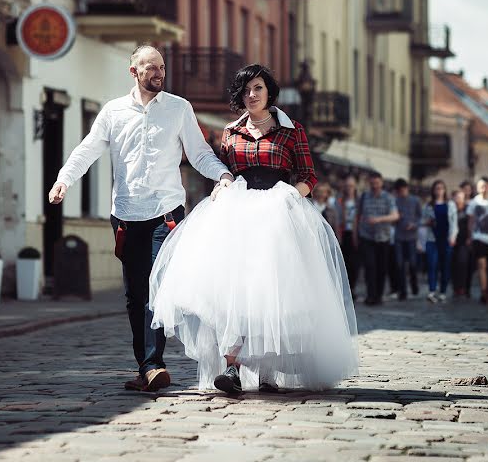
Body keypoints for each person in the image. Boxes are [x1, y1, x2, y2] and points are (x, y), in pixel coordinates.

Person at [149, 64, 357, 394]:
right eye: (246, 90)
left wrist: (292, 195)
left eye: (257, 88)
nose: (252, 95)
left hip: (279, 213)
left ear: (269, 92)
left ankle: (264, 368)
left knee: (271, 293)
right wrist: (221, 183)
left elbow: (308, 176)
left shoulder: (292, 130)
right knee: (234, 292)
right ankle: (232, 366)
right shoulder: (230, 132)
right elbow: (223, 169)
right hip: (237, 214)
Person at [48, 45, 234, 392]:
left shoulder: (179, 108)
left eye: (161, 67)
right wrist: (63, 179)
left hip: (166, 213)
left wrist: (222, 175)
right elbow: (87, 149)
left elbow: (198, 153)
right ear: (134, 72)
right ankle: (146, 366)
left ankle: (153, 364)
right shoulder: (113, 111)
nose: (158, 73)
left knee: (156, 288)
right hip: (125, 215)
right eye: (151, 68)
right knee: (135, 293)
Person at [358, 172, 400, 305]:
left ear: (381, 183)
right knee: (370, 266)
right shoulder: (364, 196)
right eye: (372, 183)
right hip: (366, 236)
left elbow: (395, 216)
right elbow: (358, 215)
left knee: (381, 268)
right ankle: (370, 295)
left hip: (383, 237)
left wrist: (379, 219)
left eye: (377, 183)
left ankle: (379, 295)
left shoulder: (388, 198)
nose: (374, 186)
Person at [422, 180, 458, 303]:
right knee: (432, 265)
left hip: (446, 239)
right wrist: (428, 222)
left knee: (445, 266)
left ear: (445, 190)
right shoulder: (428, 205)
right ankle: (432, 291)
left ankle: (442, 291)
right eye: (437, 188)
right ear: (433, 190)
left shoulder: (450, 204)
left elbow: (454, 223)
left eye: (441, 188)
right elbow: (424, 221)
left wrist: (453, 237)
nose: (439, 191)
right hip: (432, 239)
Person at [393, 178, 421, 299]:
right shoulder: (395, 201)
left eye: (403, 190)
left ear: (407, 189)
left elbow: (421, 216)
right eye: (399, 191)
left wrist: (414, 224)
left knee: (413, 264)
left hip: (411, 237)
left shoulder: (415, 200)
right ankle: (402, 291)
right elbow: (392, 218)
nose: (402, 192)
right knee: (399, 264)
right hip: (399, 236)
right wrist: (396, 219)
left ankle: (414, 285)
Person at [336, 176, 360, 299]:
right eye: (347, 186)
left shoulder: (359, 200)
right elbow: (337, 217)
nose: (349, 188)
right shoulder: (340, 199)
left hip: (356, 234)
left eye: (351, 186)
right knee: (344, 261)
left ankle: (353, 287)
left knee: (354, 263)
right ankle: (345, 288)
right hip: (343, 232)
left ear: (355, 186)